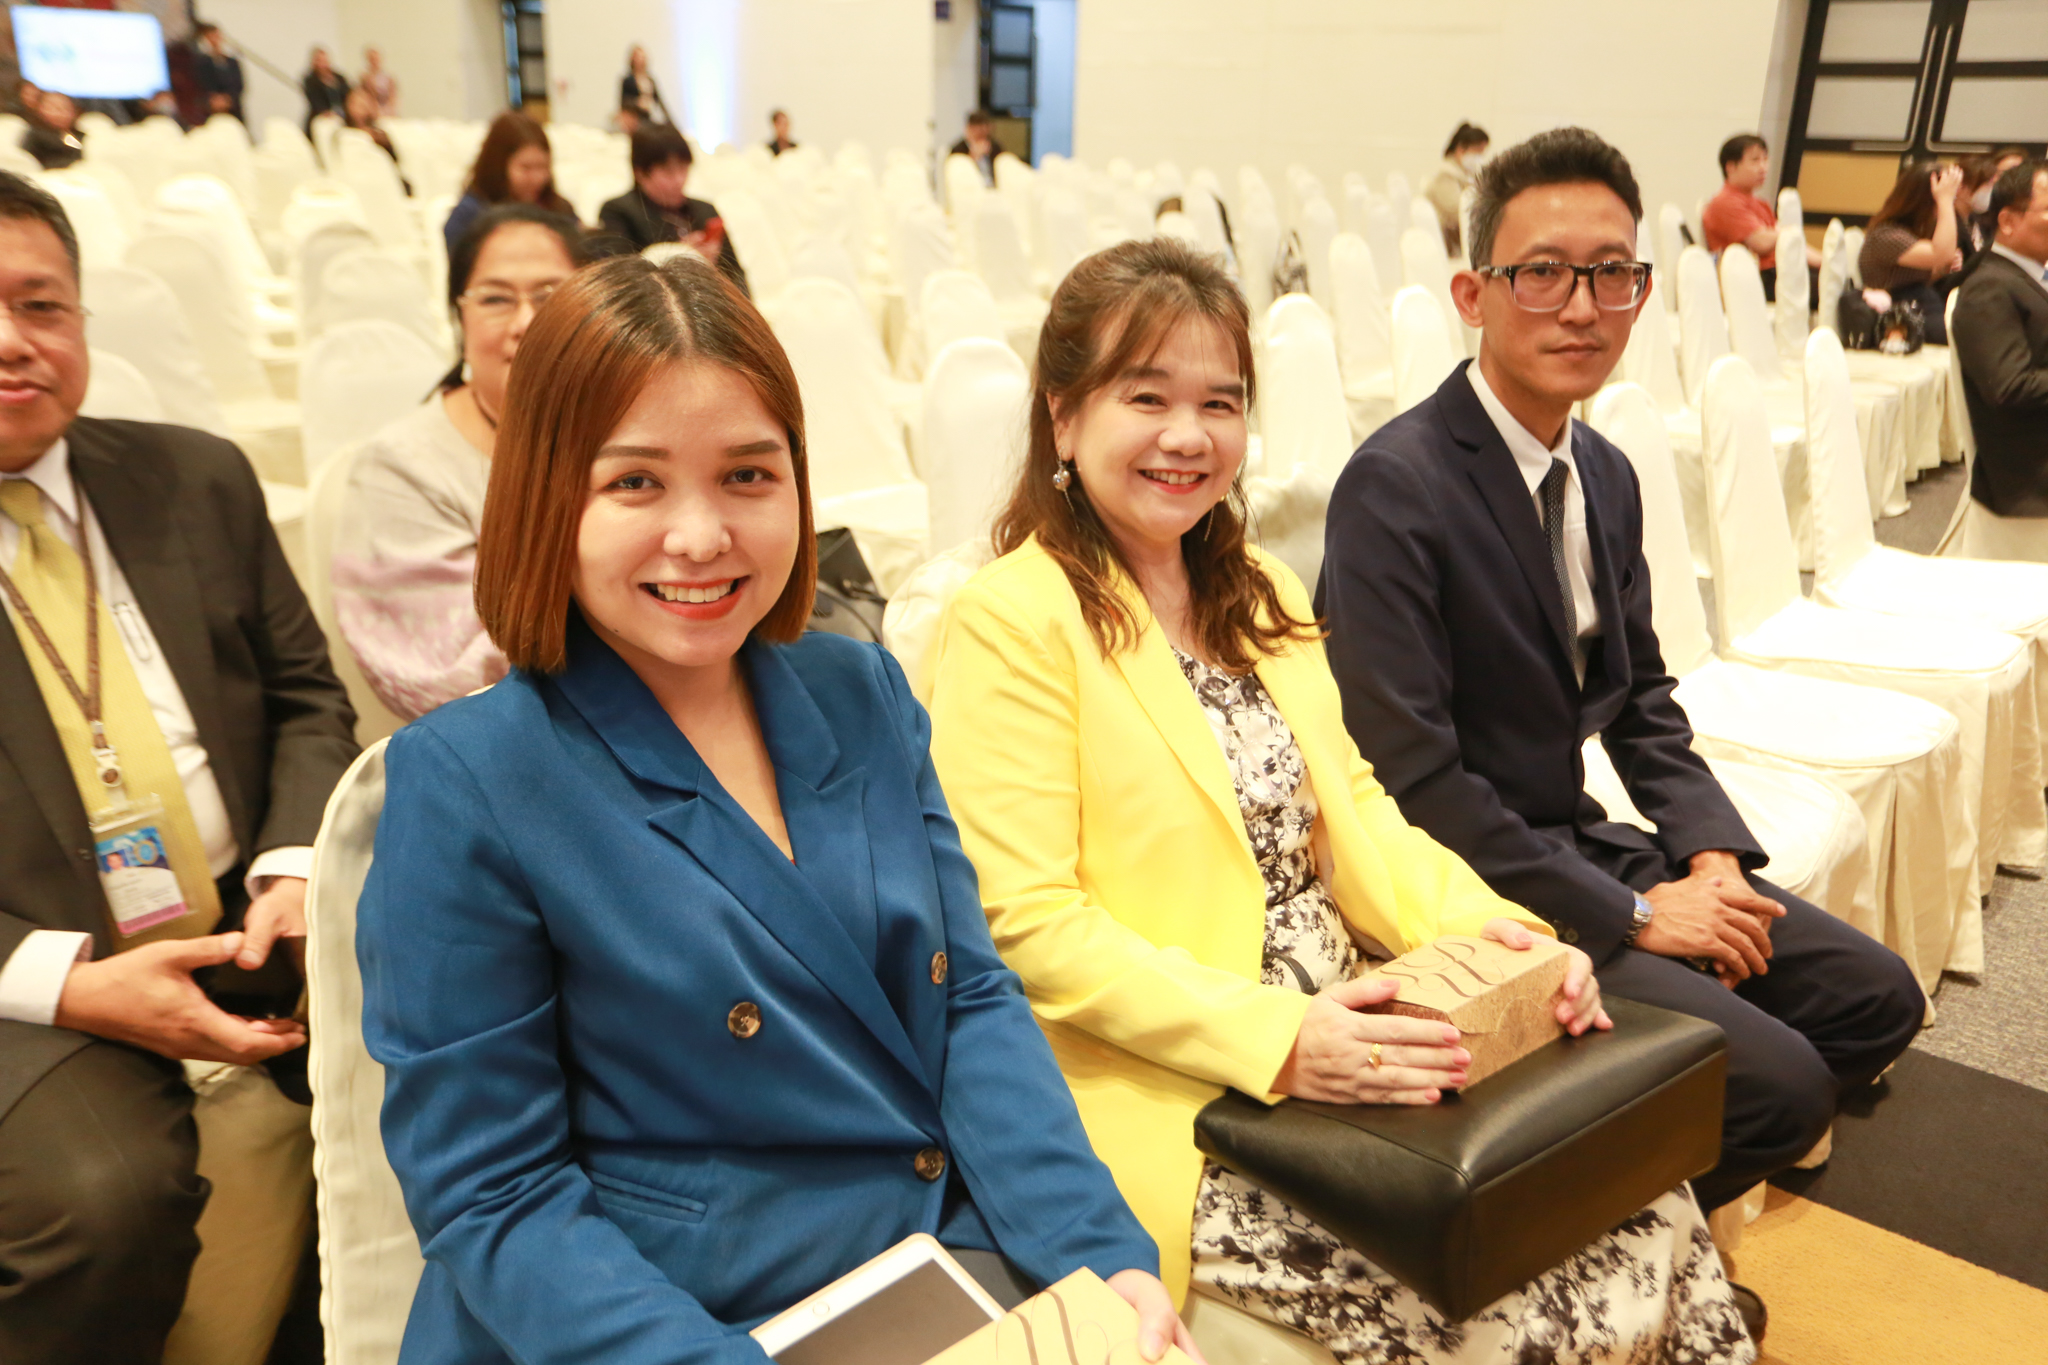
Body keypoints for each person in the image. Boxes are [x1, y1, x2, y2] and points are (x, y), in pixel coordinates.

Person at [355, 251, 1194, 1365]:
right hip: (661, 1321)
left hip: (922, 1258)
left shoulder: (859, 689)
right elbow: (494, 1193)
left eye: (748, 475)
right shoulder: (472, 777)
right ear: (547, 496)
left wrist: (1098, 1253)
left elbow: (968, 1001)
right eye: (635, 484)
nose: (701, 536)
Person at [926, 237, 1754, 1363]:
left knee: (1637, 1195)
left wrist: (1509, 937)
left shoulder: (1253, 587)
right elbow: (1029, 925)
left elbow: (1357, 812)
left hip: (1366, 1018)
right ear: (1064, 418)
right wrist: (1282, 1040)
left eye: (1220, 402)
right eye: (1146, 398)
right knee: (1518, 1313)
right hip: (1185, 1076)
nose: (1188, 435)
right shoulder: (1011, 621)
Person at [1314, 129, 1922, 1283]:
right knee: (1781, 1088)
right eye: (1542, 273)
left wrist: (1705, 859)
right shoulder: (1395, 486)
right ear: (1473, 296)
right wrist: (1635, 916)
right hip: (1470, 880)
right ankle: (1608, 1270)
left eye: (1611, 274)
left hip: (1581, 843)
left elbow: (1640, 697)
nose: (1582, 307)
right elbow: (1414, 784)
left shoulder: (1600, 470)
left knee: (1870, 999)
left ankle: (1627, 1235)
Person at [0, 173, 357, 1362]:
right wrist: (67, 985)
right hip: (37, 969)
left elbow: (308, 696)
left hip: (253, 924)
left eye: (41, 305)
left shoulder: (198, 478)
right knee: (104, 1204)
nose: (13, 342)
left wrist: (292, 868)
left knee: (487, 1054)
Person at [332, 205, 586, 719]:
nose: (526, 322)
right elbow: (444, 675)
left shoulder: (636, 430)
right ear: (459, 317)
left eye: (551, 296)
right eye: (495, 299)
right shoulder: (402, 468)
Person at [1953, 158, 2048, 523]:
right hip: (2031, 475)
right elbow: (2010, 388)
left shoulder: (2026, 276)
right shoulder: (1990, 287)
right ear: (2008, 221)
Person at [597, 124, 748, 295]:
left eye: (684, 169)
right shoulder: (618, 212)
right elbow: (619, 280)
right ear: (640, 174)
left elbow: (736, 275)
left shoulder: (706, 210)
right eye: (668, 172)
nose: (679, 180)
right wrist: (681, 256)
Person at [442, 111, 577, 259]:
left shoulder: (559, 209)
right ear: (498, 166)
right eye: (526, 168)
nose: (537, 178)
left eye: (543, 167)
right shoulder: (470, 215)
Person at [1702, 134, 1820, 302]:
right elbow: (1761, 243)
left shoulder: (1759, 203)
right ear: (1731, 167)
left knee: (1839, 283)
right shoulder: (1725, 203)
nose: (1763, 167)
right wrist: (1786, 232)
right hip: (1754, 280)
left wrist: (1825, 262)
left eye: (1765, 159)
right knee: (1833, 292)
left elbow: (1787, 241)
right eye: (1755, 160)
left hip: (1776, 272)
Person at [1859, 160, 1966, 344]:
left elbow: (1927, 270)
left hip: (1919, 305)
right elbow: (1941, 254)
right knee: (1967, 335)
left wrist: (1942, 269)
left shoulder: (1911, 232)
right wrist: (1945, 200)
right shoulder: (1886, 235)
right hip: (1898, 316)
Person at [1423, 122, 1487, 257]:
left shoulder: (1465, 173)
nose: (1480, 157)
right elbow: (1458, 214)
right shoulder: (1446, 174)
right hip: (1448, 246)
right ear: (1461, 148)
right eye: (1477, 151)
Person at [343, 86, 409, 193]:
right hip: (367, 182)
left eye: (365, 102)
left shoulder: (381, 132)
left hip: (390, 180)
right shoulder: (346, 134)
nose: (362, 106)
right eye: (357, 103)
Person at [193, 23, 245, 123]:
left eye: (216, 36)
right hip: (209, 109)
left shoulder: (231, 61)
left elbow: (239, 84)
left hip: (233, 109)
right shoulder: (199, 62)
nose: (214, 40)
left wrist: (228, 98)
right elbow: (200, 83)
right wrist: (214, 99)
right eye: (210, 37)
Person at [20, 92, 82, 171]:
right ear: (40, 109)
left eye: (67, 109)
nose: (63, 114)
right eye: (56, 109)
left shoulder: (79, 134)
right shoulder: (36, 136)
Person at [619, 43, 672, 125]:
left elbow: (659, 101)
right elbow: (624, 102)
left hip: (652, 116)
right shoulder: (628, 81)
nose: (640, 60)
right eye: (638, 57)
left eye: (642, 57)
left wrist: (669, 120)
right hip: (637, 119)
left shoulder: (650, 80)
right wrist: (638, 103)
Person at [301, 46, 350, 135]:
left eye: (324, 60)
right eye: (319, 60)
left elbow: (348, 95)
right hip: (322, 117)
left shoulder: (339, 78)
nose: (322, 63)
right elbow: (314, 100)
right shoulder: (310, 80)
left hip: (343, 116)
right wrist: (326, 112)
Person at [950, 110, 1004, 186]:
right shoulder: (958, 149)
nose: (981, 133)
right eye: (978, 129)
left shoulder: (995, 147)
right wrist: (974, 156)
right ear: (969, 129)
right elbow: (957, 175)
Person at [359, 45, 398, 116]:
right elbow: (366, 95)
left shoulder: (389, 77)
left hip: (387, 109)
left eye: (376, 58)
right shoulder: (364, 77)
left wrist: (391, 109)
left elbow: (393, 95)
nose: (374, 61)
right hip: (372, 109)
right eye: (372, 59)